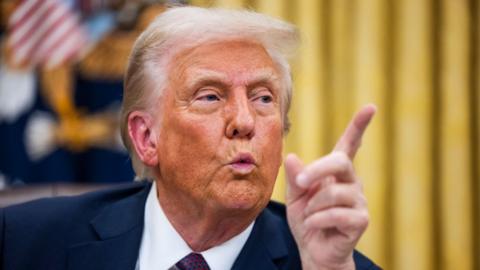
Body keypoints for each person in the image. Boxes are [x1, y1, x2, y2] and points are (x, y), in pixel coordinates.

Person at [0, 6, 380, 270]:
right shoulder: (22, 242)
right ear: (146, 137)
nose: (244, 121)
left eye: (264, 98)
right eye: (210, 96)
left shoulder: (329, 262)